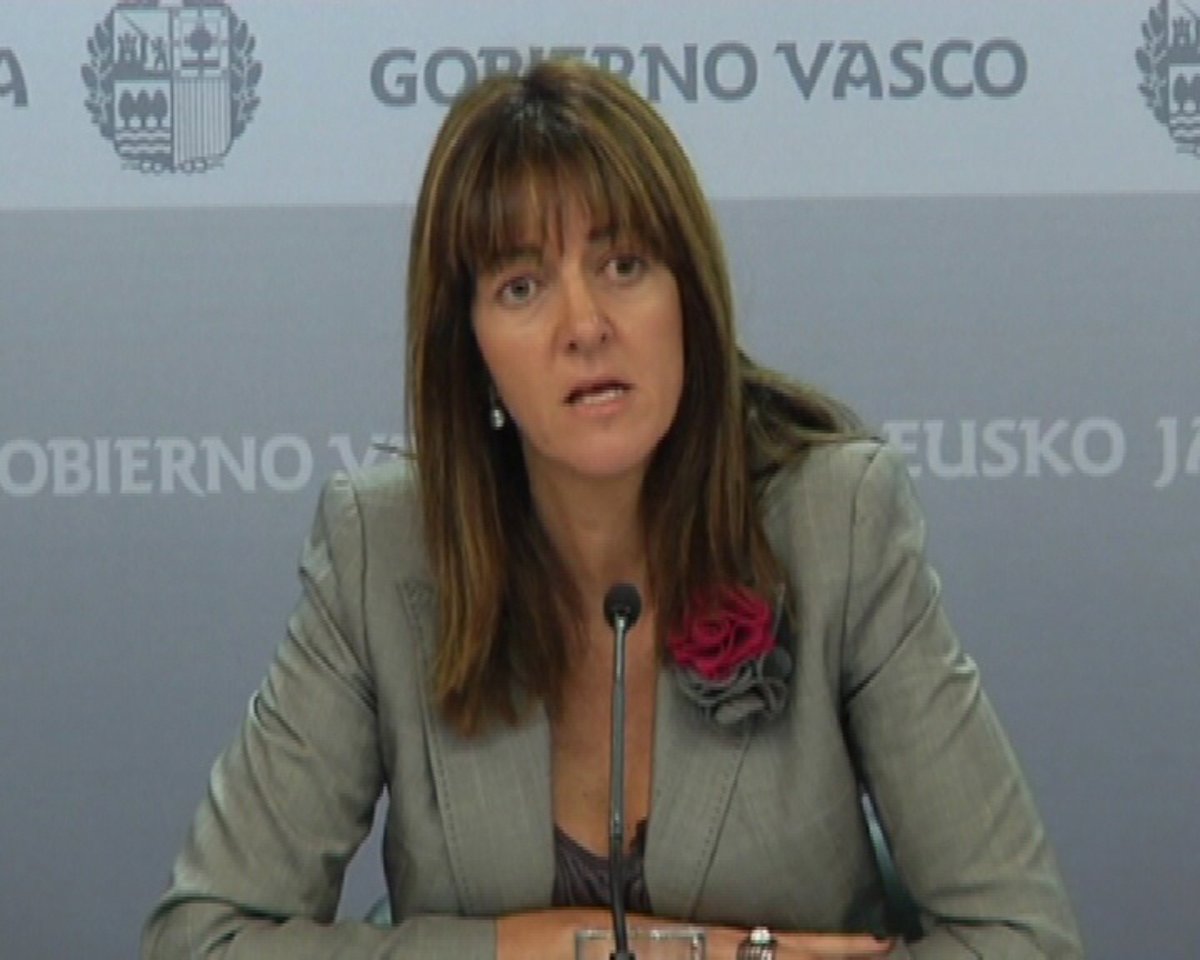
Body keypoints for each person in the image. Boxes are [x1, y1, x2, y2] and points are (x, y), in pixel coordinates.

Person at [142, 59, 1083, 959]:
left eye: (624, 265)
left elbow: (1022, 939)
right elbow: (201, 938)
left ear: (689, 299)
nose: (585, 325)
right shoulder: (383, 553)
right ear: (471, 351)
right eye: (522, 286)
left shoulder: (836, 525)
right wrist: (543, 950)